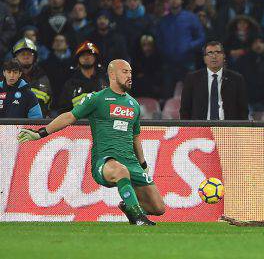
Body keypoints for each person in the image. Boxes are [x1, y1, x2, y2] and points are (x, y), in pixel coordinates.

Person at [17, 59, 165, 226]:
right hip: (106, 161)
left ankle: (129, 205)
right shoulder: (97, 98)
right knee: (121, 171)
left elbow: (136, 136)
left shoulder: (134, 104)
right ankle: (138, 218)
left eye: (130, 72)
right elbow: (69, 116)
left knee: (159, 208)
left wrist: (143, 164)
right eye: (125, 72)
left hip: (131, 162)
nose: (130, 75)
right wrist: (41, 133)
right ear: (112, 74)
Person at [180, 41, 248, 120]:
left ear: (224, 57)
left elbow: (243, 110)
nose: (214, 56)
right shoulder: (192, 79)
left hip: (228, 129)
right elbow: (185, 109)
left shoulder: (236, 79)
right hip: (200, 129)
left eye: (218, 52)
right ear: (204, 59)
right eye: (210, 53)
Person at [57, 41, 108, 114]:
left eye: (89, 54)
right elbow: (63, 111)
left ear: (96, 58)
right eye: (83, 55)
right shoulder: (70, 85)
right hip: (78, 124)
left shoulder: (106, 81)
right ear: (77, 59)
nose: (86, 57)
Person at [13, 38, 52, 117]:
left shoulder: (43, 77)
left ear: (35, 57)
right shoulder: (7, 77)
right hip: (13, 123)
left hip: (38, 123)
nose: (26, 56)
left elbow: (49, 103)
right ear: (15, 57)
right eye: (22, 54)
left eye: (29, 54)